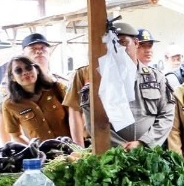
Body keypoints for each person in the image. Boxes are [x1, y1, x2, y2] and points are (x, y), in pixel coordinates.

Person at [73, 21, 174, 149]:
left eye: (123, 43)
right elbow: (93, 123)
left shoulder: (156, 78)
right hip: (113, 153)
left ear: (136, 43)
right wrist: (123, 147)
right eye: (112, 43)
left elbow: (166, 115)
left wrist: (144, 143)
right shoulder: (98, 83)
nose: (118, 48)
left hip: (151, 151)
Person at [21, 33, 83, 144]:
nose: (39, 51)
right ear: (23, 54)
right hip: (33, 151)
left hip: (66, 148)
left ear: (49, 52)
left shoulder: (62, 83)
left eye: (43, 48)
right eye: (33, 49)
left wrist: (79, 147)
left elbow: (76, 114)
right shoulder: (12, 89)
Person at [2, 56, 70, 143]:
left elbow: (75, 116)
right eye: (18, 70)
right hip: (42, 151)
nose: (25, 72)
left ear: (37, 70)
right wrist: (33, 149)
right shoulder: (9, 104)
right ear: (12, 78)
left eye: (28, 67)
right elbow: (16, 135)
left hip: (71, 147)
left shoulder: (57, 88)